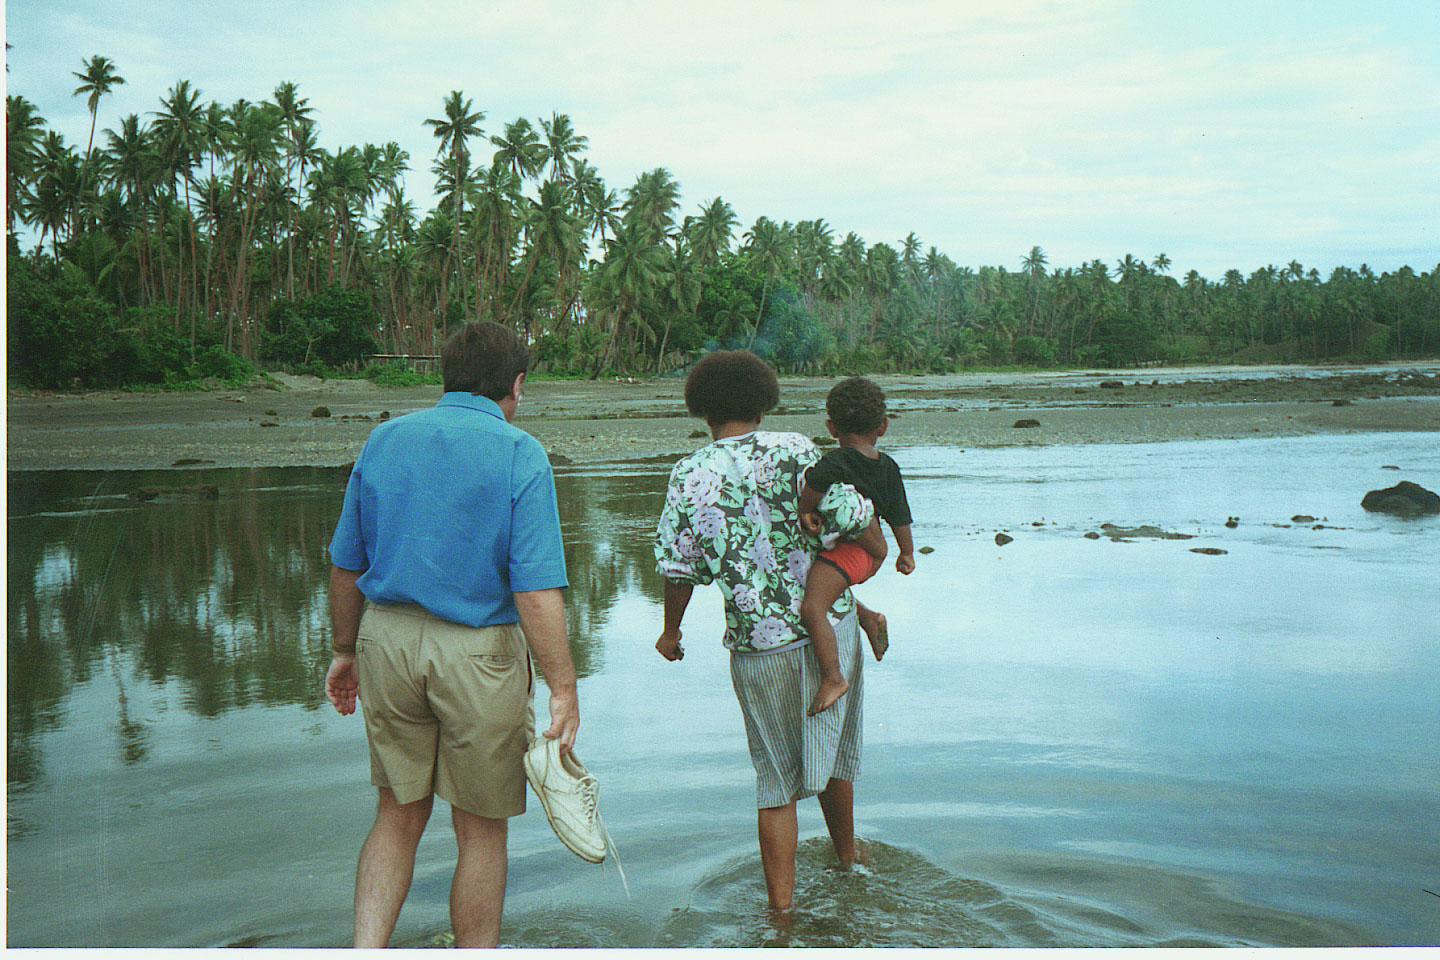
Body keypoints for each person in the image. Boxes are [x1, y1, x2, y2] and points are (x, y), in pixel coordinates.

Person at [323, 321, 580, 949]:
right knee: (481, 829)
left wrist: (342, 650)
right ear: (516, 384)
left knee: (396, 814)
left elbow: (345, 562)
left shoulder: (385, 439)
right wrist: (562, 685)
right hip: (478, 652)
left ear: (447, 375)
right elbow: (535, 589)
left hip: (386, 639)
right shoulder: (520, 451)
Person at [653, 349, 884, 917]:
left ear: (700, 411)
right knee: (832, 755)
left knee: (776, 784)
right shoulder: (798, 450)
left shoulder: (689, 473)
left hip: (760, 647)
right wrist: (871, 578)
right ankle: (849, 862)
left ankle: (782, 916)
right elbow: (850, 517)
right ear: (765, 401)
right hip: (831, 627)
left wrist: (670, 631)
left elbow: (680, 568)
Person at [797, 376, 915, 716]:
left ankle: (833, 676)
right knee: (816, 584)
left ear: (832, 428)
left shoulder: (835, 462)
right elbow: (898, 513)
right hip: (867, 556)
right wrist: (906, 553)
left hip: (848, 554)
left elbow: (815, 483)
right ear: (883, 426)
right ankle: (869, 617)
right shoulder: (888, 466)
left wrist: (805, 509)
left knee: (812, 608)